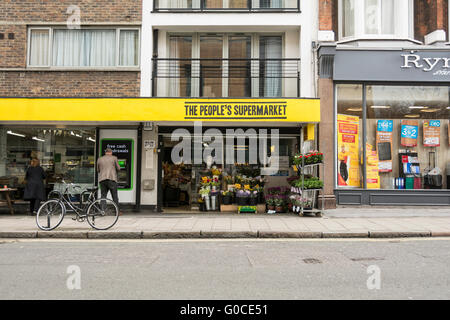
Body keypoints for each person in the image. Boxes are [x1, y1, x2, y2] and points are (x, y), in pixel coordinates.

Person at [97, 148, 122, 214]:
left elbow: (98, 170)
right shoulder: (114, 158)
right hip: (112, 179)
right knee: (114, 196)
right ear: (111, 152)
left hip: (102, 180)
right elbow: (118, 168)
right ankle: (117, 212)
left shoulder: (100, 159)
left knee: (103, 196)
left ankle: (102, 211)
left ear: (105, 152)